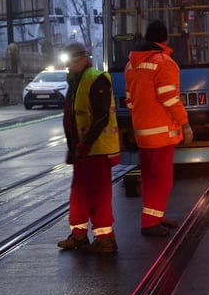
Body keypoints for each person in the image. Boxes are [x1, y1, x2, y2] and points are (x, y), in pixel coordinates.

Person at [124, 20, 193, 237]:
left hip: (142, 132)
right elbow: (170, 99)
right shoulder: (164, 62)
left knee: (150, 177)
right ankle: (150, 223)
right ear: (165, 40)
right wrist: (185, 124)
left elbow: (129, 99)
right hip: (161, 132)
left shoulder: (131, 64)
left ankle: (156, 216)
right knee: (162, 180)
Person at [56, 42, 121, 254]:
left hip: (97, 149)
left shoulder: (95, 79)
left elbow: (101, 117)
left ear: (84, 58)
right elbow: (73, 116)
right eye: (68, 62)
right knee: (80, 193)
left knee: (98, 195)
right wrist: (73, 146)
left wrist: (85, 144)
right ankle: (79, 234)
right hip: (83, 149)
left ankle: (105, 240)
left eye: (73, 61)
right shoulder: (75, 80)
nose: (69, 66)